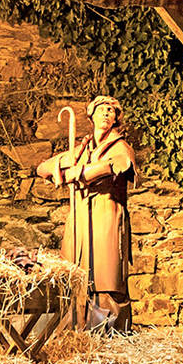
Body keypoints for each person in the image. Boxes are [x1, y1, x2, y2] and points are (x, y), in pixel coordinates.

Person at [36, 95, 136, 331]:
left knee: (106, 276)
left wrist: (80, 172)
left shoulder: (120, 146)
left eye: (111, 112)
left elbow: (116, 165)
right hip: (80, 220)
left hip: (106, 217)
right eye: (102, 110)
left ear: (116, 119)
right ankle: (76, 330)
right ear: (91, 115)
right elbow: (42, 167)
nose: (106, 114)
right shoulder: (81, 149)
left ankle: (109, 332)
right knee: (76, 275)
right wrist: (60, 170)